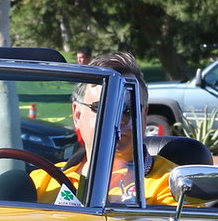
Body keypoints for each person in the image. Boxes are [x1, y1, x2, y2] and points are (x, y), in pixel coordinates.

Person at [34, 52, 179, 206]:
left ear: (144, 115)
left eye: (129, 110)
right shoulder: (42, 180)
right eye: (102, 108)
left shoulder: (172, 183)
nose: (117, 120)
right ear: (77, 115)